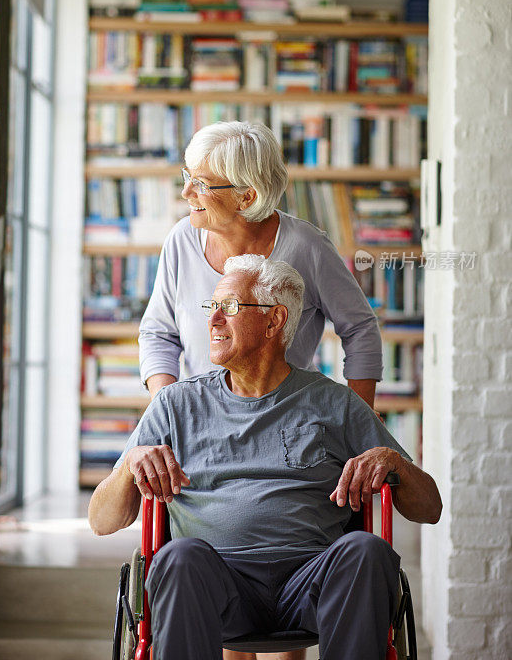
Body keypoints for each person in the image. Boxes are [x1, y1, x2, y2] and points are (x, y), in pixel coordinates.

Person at [90, 256, 442, 660]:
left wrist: (394, 462)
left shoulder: (334, 403)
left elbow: (430, 508)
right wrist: (130, 464)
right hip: (217, 584)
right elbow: (102, 521)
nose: (214, 320)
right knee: (178, 557)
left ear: (274, 322)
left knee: (367, 550)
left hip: (312, 583)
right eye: (212, 307)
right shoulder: (175, 406)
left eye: (231, 307)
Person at [139, 120, 383, 660]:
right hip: (202, 425)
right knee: (216, 556)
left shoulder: (305, 246)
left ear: (247, 195)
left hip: (288, 422)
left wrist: (353, 422)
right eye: (188, 178)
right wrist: (169, 410)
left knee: (284, 547)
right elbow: (158, 332)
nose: (186, 193)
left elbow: (360, 330)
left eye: (201, 183)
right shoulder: (183, 239)